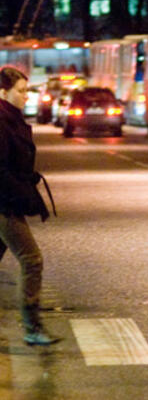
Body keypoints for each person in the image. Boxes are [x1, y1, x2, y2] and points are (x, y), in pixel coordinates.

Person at [0, 66, 59, 346]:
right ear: (3, 92)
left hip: (8, 199)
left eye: (27, 91)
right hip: (3, 204)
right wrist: (21, 190)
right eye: (21, 92)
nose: (26, 97)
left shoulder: (11, 119)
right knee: (32, 259)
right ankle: (32, 327)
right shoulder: (1, 121)